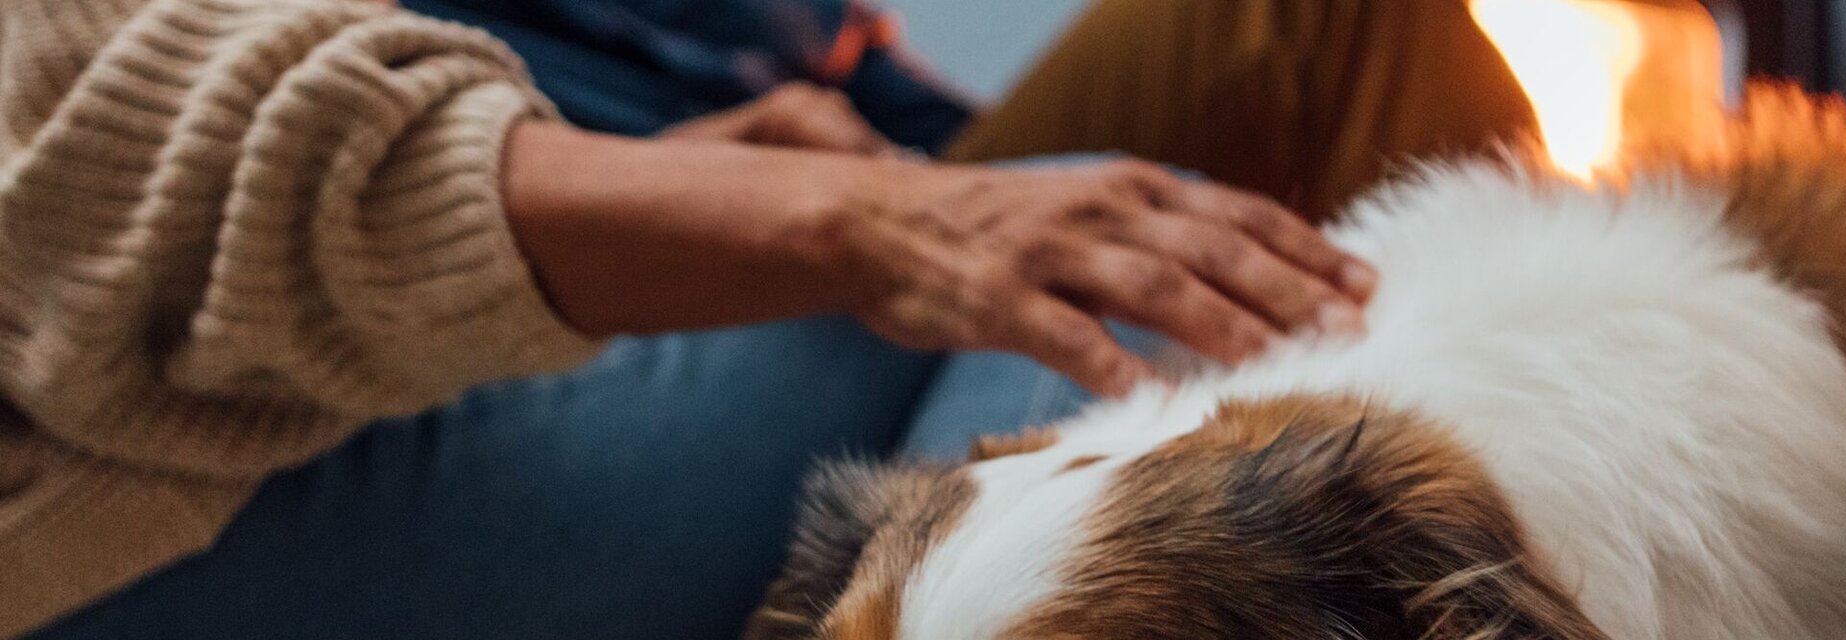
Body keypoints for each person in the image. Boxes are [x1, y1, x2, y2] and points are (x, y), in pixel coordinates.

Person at [0, 0, 1532, 638]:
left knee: (1315, 26)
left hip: (597, 214)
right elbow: (82, 133)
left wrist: (760, 178)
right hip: (205, 434)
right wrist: (877, 222)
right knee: (1077, 280)